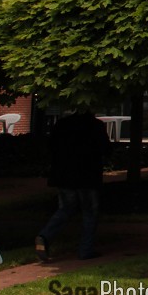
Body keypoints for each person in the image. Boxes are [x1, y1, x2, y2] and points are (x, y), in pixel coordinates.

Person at [35, 109, 112, 262]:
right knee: (90, 212)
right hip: (87, 176)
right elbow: (105, 149)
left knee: (66, 209)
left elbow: (51, 146)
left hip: (64, 176)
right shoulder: (95, 126)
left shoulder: (63, 124)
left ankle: (44, 236)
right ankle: (85, 250)